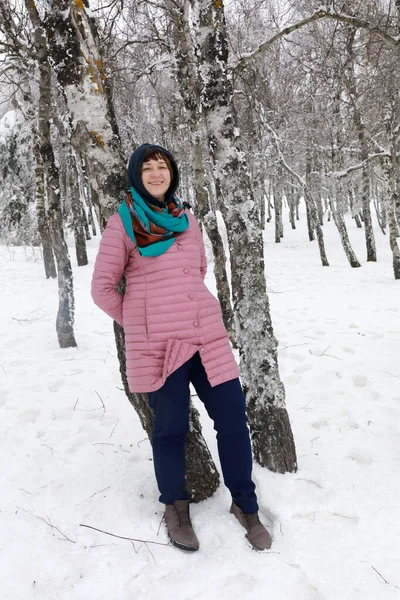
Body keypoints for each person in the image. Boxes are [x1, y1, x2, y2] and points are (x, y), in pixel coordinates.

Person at [91, 143, 272, 552]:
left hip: (205, 336)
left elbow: (200, 272)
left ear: (172, 174)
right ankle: (175, 507)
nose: (157, 174)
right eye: (149, 168)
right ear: (137, 176)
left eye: (164, 167)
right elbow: (102, 288)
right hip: (160, 346)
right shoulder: (122, 224)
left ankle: (246, 506)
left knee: (232, 421)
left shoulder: (187, 219)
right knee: (170, 431)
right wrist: (142, 323)